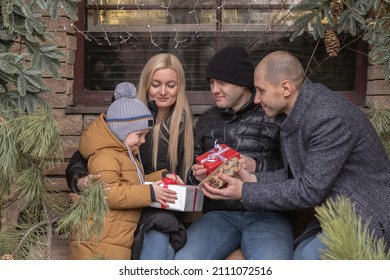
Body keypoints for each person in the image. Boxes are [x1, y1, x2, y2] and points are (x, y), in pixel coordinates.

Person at [201, 50, 390, 259]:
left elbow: (310, 189)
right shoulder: (300, 112)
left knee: (306, 258)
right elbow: (297, 177)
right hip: (337, 213)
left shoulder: (327, 117)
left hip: (367, 217)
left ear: (286, 88)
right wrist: (253, 179)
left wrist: (245, 191)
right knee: (302, 254)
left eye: (261, 91)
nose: (256, 99)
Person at [65, 53, 195, 260]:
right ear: (145, 85)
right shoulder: (126, 117)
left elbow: (149, 180)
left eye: (170, 85)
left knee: (164, 250)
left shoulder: (184, 127)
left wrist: (173, 179)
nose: (163, 92)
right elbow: (87, 156)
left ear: (180, 88)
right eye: (155, 84)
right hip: (121, 215)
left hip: (155, 212)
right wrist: (80, 179)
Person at [175, 46, 294, 260]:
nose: (214, 89)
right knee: (185, 262)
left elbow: (293, 172)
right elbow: (191, 175)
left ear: (242, 83)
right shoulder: (207, 120)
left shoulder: (273, 114)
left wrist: (256, 166)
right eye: (211, 82)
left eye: (222, 82)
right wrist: (198, 175)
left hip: (267, 214)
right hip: (219, 214)